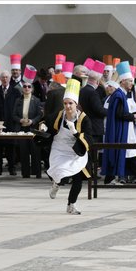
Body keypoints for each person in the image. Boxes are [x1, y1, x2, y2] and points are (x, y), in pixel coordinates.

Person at [40, 79, 93, 215]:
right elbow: (46, 120)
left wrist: (75, 132)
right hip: (60, 148)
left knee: (78, 180)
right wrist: (43, 126)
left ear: (76, 104)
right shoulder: (60, 115)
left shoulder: (84, 119)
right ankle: (56, 184)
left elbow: (88, 138)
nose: (68, 106)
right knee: (62, 175)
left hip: (76, 150)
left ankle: (71, 205)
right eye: (65, 103)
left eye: (71, 103)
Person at [12, 67, 43, 178]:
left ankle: (37, 173)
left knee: (35, 152)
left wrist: (32, 121)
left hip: (33, 128)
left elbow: (40, 115)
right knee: (23, 152)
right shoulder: (18, 100)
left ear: (32, 89)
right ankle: (25, 173)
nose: (26, 88)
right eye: (24, 86)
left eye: (29, 86)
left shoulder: (36, 100)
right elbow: (14, 115)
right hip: (22, 130)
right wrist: (20, 120)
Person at [0, 70, 21, 176]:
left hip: (11, 123)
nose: (4, 79)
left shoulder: (15, 91)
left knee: (11, 147)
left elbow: (18, 107)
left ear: (9, 78)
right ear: (0, 79)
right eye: (2, 77)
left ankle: (12, 168)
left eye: (6, 77)